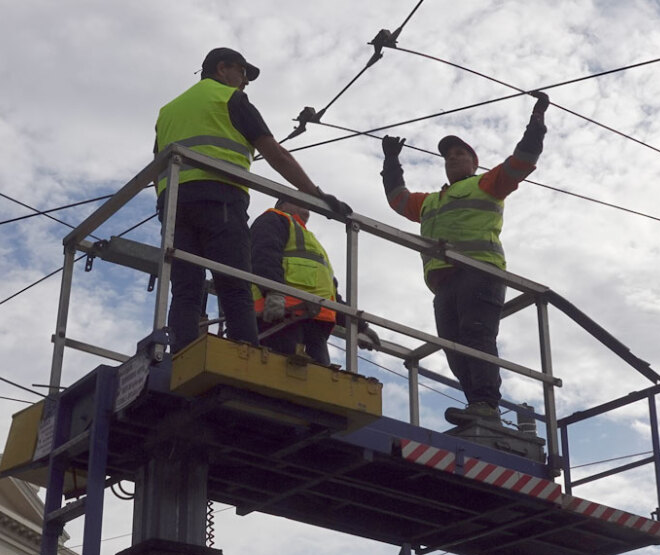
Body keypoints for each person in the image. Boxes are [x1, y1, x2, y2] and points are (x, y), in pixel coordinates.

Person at [154, 47, 351, 353]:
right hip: (219, 198)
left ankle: (181, 353)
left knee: (185, 288)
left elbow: (157, 166)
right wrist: (316, 195)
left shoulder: (168, 110)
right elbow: (276, 155)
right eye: (243, 73)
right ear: (223, 69)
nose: (245, 82)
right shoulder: (230, 99)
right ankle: (244, 352)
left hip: (173, 204)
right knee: (235, 282)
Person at [380, 91, 549, 426]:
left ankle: (486, 405)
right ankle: (478, 406)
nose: (453, 158)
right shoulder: (430, 201)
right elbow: (397, 199)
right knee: (453, 344)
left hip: (480, 272)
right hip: (444, 282)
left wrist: (537, 121)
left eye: (460, 154)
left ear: (475, 164)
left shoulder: (486, 184)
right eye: (449, 156)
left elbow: (523, 160)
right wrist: (391, 161)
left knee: (475, 335)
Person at [249, 200, 380, 365]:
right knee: (281, 374)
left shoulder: (310, 240)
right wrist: (272, 292)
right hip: (280, 315)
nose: (307, 207)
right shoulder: (274, 218)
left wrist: (360, 327)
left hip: (315, 325)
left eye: (308, 204)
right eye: (299, 202)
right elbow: (264, 255)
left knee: (315, 383)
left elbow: (331, 297)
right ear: (282, 205)